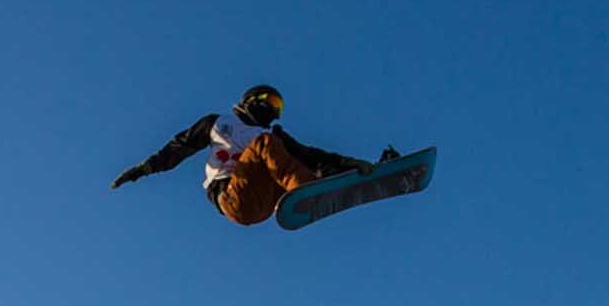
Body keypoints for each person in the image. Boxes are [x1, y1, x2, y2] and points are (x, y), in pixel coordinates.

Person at [110, 84, 398, 226]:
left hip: (265, 203)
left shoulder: (274, 138)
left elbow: (312, 154)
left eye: (279, 107)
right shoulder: (219, 123)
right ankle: (307, 190)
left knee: (298, 158)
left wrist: (354, 165)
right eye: (271, 103)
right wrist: (143, 169)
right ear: (251, 101)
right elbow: (178, 147)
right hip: (233, 197)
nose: (274, 111)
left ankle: (356, 175)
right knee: (267, 144)